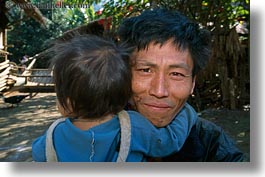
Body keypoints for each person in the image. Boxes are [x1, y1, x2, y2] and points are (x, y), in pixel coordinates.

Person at [31, 34, 199, 162]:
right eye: (145, 70)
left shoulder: (52, 135)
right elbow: (169, 142)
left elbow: (39, 155)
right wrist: (187, 112)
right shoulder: (133, 125)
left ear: (67, 102)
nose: (160, 91)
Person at [118, 8, 247, 161]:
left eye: (176, 74)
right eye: (145, 70)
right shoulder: (95, 132)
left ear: (192, 82)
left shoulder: (211, 144)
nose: (159, 91)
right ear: (124, 74)